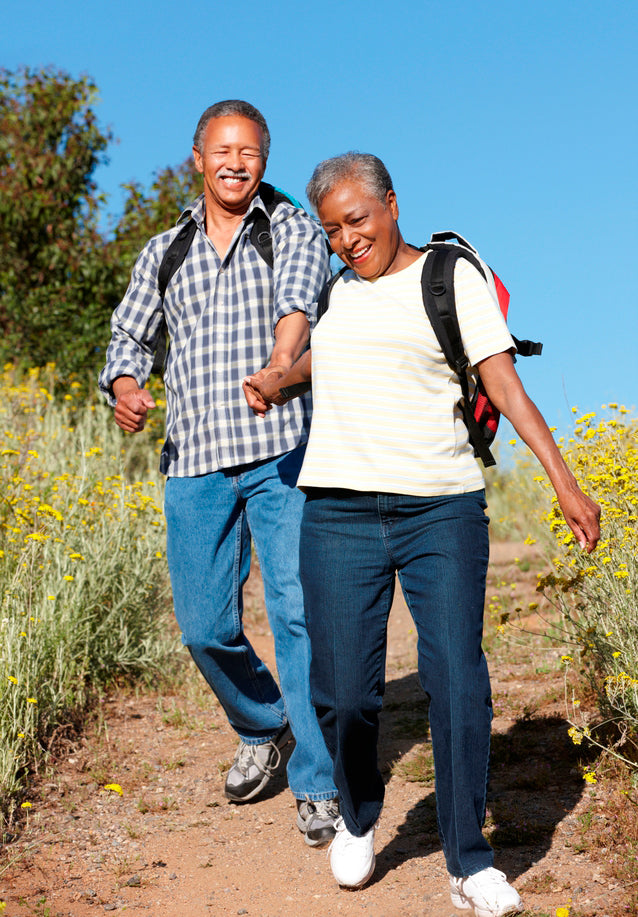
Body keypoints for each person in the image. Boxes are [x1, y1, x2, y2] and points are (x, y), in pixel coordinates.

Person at [243, 152, 601, 915]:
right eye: (334, 229)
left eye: (358, 220)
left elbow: (502, 380)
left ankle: (469, 859)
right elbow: (330, 357)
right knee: (342, 694)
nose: (347, 239)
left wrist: (562, 480)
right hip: (337, 511)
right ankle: (360, 811)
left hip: (440, 506)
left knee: (458, 682)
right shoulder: (337, 293)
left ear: (392, 204)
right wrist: (279, 378)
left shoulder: (450, 277)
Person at [98, 100, 339, 847]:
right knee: (204, 625)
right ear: (197, 158)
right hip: (196, 459)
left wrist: (279, 363)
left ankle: (320, 783)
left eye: (251, 152)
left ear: (264, 162)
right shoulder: (164, 248)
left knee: (299, 614)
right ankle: (266, 723)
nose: (236, 162)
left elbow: (299, 304)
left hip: (283, 449)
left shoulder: (291, 227)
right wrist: (125, 388)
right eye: (223, 150)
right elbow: (129, 334)